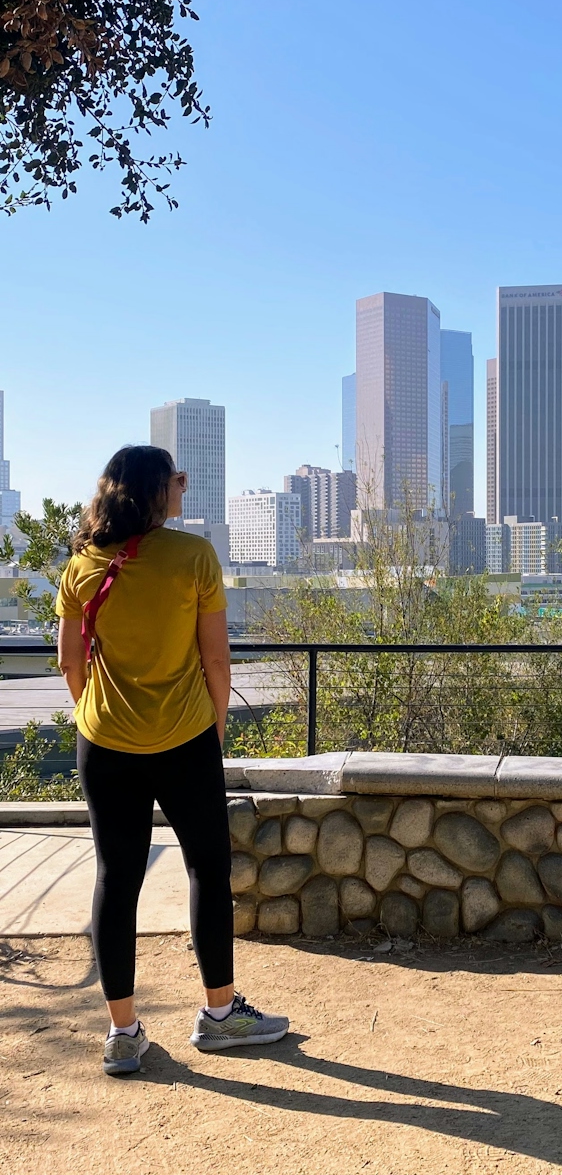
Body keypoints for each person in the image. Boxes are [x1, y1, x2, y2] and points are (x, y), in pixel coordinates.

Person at [56, 445, 288, 1076]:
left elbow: (70, 664)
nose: (184, 488)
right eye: (178, 480)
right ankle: (219, 1016)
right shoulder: (194, 557)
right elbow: (217, 659)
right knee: (207, 869)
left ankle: (123, 1032)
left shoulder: (81, 566)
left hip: (104, 743)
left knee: (116, 878)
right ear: (158, 491)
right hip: (185, 738)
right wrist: (213, 731)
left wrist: (94, 717)